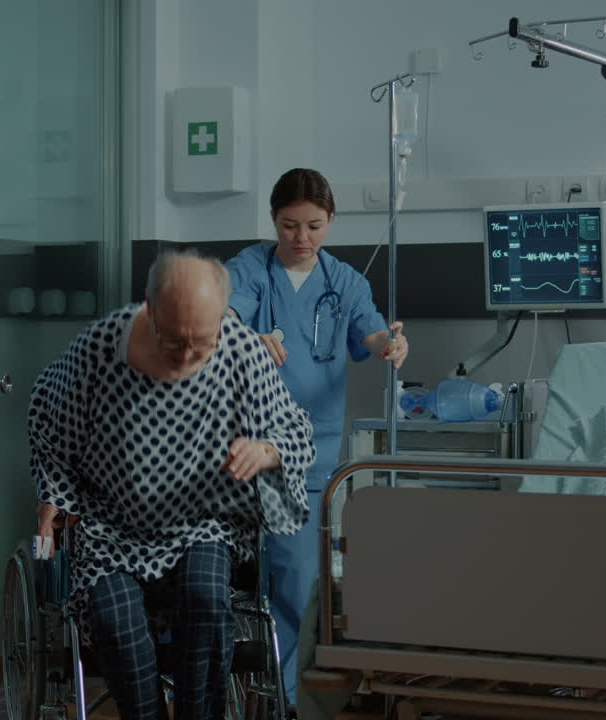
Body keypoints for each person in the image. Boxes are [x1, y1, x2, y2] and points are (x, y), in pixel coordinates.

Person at [28, 250, 315, 720]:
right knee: (114, 622)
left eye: (200, 343)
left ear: (223, 319)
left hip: (202, 520)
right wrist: (54, 495)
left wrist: (266, 450)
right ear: (149, 307)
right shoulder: (102, 348)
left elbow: (295, 432)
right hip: (110, 526)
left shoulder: (242, 351)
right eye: (172, 340)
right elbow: (47, 412)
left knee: (206, 599)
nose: (185, 356)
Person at [225, 167, 410, 704]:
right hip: (240, 446)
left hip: (309, 452)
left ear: (331, 221)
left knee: (297, 577)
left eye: (313, 226)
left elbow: (369, 329)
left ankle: (277, 696)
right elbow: (222, 319)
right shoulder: (250, 268)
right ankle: (217, 686)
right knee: (217, 574)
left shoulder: (346, 282)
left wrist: (389, 345)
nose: (300, 238)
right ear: (273, 221)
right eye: (288, 225)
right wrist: (249, 338)